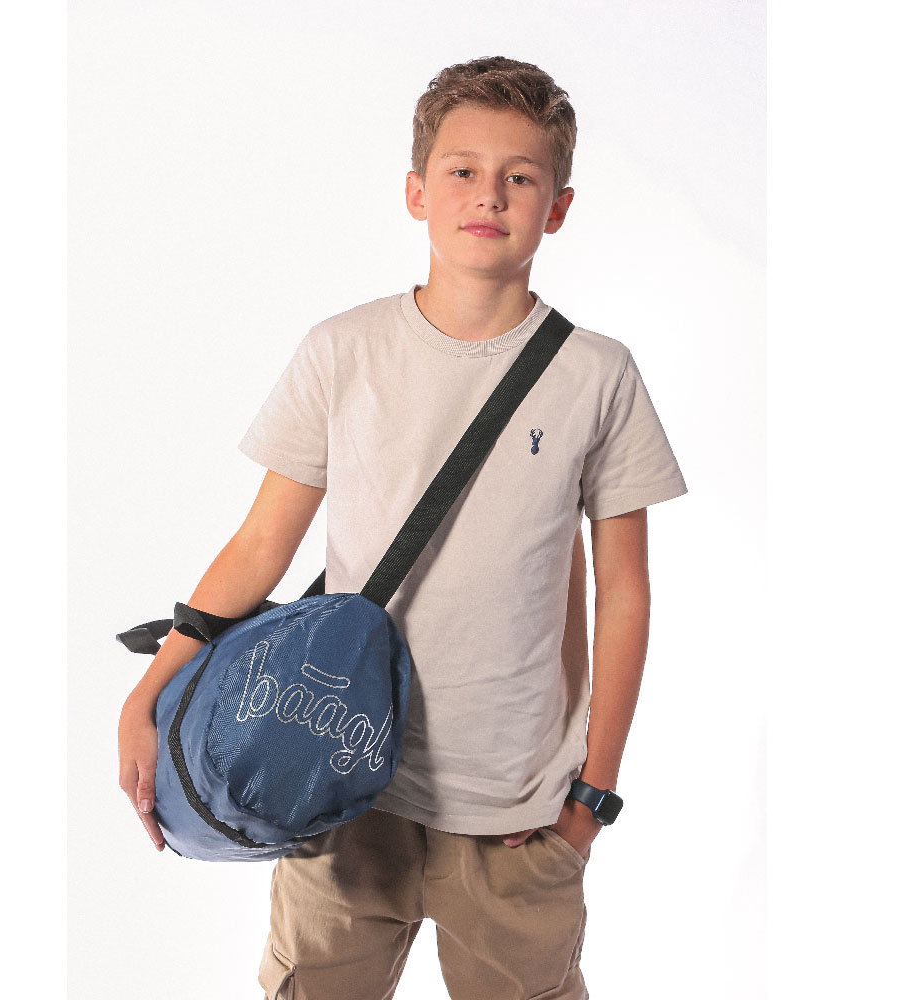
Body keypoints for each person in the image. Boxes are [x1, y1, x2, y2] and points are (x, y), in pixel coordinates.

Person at [118, 55, 688, 1000]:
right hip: (336, 783)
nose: (489, 195)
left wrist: (591, 797)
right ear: (417, 192)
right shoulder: (342, 351)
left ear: (558, 208)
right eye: (463, 171)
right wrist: (149, 692)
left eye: (520, 177)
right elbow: (260, 547)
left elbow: (624, 591)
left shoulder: (598, 375)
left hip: (517, 811)